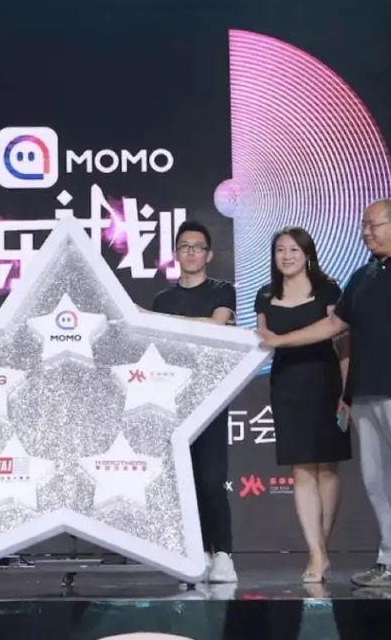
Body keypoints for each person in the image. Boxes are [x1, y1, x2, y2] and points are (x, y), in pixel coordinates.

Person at [257, 199, 391, 591]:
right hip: (364, 393)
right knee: (378, 482)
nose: (366, 233)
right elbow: (334, 325)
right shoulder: (363, 275)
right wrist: (280, 340)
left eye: (373, 225)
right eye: (364, 226)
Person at [253, 227, 350, 584]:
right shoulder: (265, 295)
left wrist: (346, 390)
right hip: (287, 385)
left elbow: (343, 340)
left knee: (327, 469)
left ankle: (321, 547)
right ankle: (316, 552)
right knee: (302, 469)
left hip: (325, 381)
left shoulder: (328, 290)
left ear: (307, 254)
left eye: (294, 250)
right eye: (280, 250)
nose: (287, 256)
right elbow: (264, 340)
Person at [151, 220, 238, 583]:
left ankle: (224, 554)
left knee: (212, 478)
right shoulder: (163, 299)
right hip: (173, 400)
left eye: (198, 247)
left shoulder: (222, 291)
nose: (191, 252)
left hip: (212, 396)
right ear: (176, 253)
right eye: (184, 247)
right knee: (182, 482)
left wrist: (161, 321)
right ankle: (196, 552)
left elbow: (216, 326)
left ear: (209, 255)